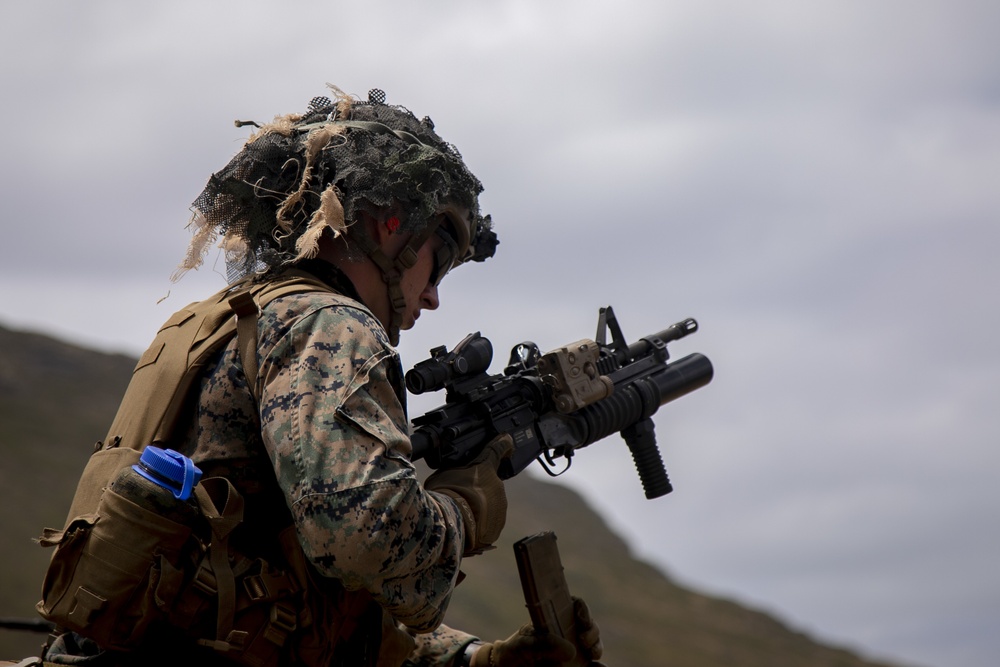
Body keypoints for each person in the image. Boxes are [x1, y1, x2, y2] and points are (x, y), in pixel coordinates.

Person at [41, 86, 603, 667]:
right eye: (438, 263)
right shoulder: (329, 325)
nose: (432, 297)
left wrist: (471, 660)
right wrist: (464, 511)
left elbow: (287, 601)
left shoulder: (219, 319)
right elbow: (363, 537)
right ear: (391, 229)